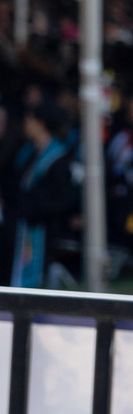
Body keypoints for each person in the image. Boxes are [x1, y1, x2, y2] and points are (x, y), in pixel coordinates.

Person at [9, 102, 76, 287]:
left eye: (29, 120)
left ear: (41, 123)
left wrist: (37, 207)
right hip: (24, 222)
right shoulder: (28, 153)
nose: (25, 124)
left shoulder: (58, 157)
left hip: (46, 227)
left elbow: (64, 197)